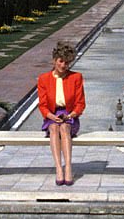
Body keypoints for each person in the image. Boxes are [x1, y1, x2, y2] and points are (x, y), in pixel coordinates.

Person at [37, 41, 86, 186]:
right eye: (61, 61)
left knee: (64, 128)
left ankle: (69, 167)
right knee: (54, 128)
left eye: (67, 63)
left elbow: (80, 103)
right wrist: (51, 116)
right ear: (54, 60)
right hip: (52, 115)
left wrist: (70, 115)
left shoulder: (76, 77)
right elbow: (43, 105)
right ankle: (59, 168)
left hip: (70, 115)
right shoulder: (44, 79)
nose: (64, 65)